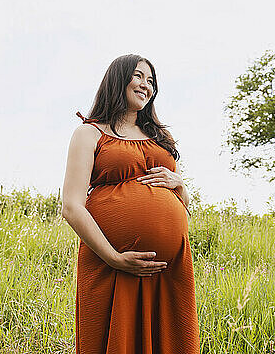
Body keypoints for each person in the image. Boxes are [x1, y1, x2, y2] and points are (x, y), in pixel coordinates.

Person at [61, 54, 200, 353]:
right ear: (117, 79)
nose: (145, 85)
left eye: (151, 81)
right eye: (138, 76)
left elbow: (182, 205)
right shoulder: (89, 132)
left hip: (168, 267)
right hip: (112, 264)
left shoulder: (161, 138)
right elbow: (71, 206)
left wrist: (180, 185)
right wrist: (114, 257)